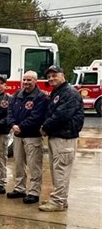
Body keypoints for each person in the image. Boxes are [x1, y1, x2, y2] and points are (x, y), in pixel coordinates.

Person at [39, 65, 84, 212]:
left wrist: (45, 127)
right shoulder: (58, 92)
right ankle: (61, 199)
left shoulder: (69, 92)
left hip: (64, 137)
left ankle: (57, 202)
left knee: (61, 170)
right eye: (49, 76)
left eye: (54, 75)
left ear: (63, 75)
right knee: (57, 169)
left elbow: (61, 115)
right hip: (58, 136)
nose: (51, 78)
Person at [6, 70, 48, 205]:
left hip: (32, 136)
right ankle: (19, 188)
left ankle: (34, 192)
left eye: (29, 80)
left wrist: (20, 127)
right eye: (24, 80)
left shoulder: (40, 97)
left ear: (35, 81)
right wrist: (12, 124)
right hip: (18, 136)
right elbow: (10, 111)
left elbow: (36, 117)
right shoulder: (17, 94)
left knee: (34, 165)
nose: (26, 82)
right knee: (18, 163)